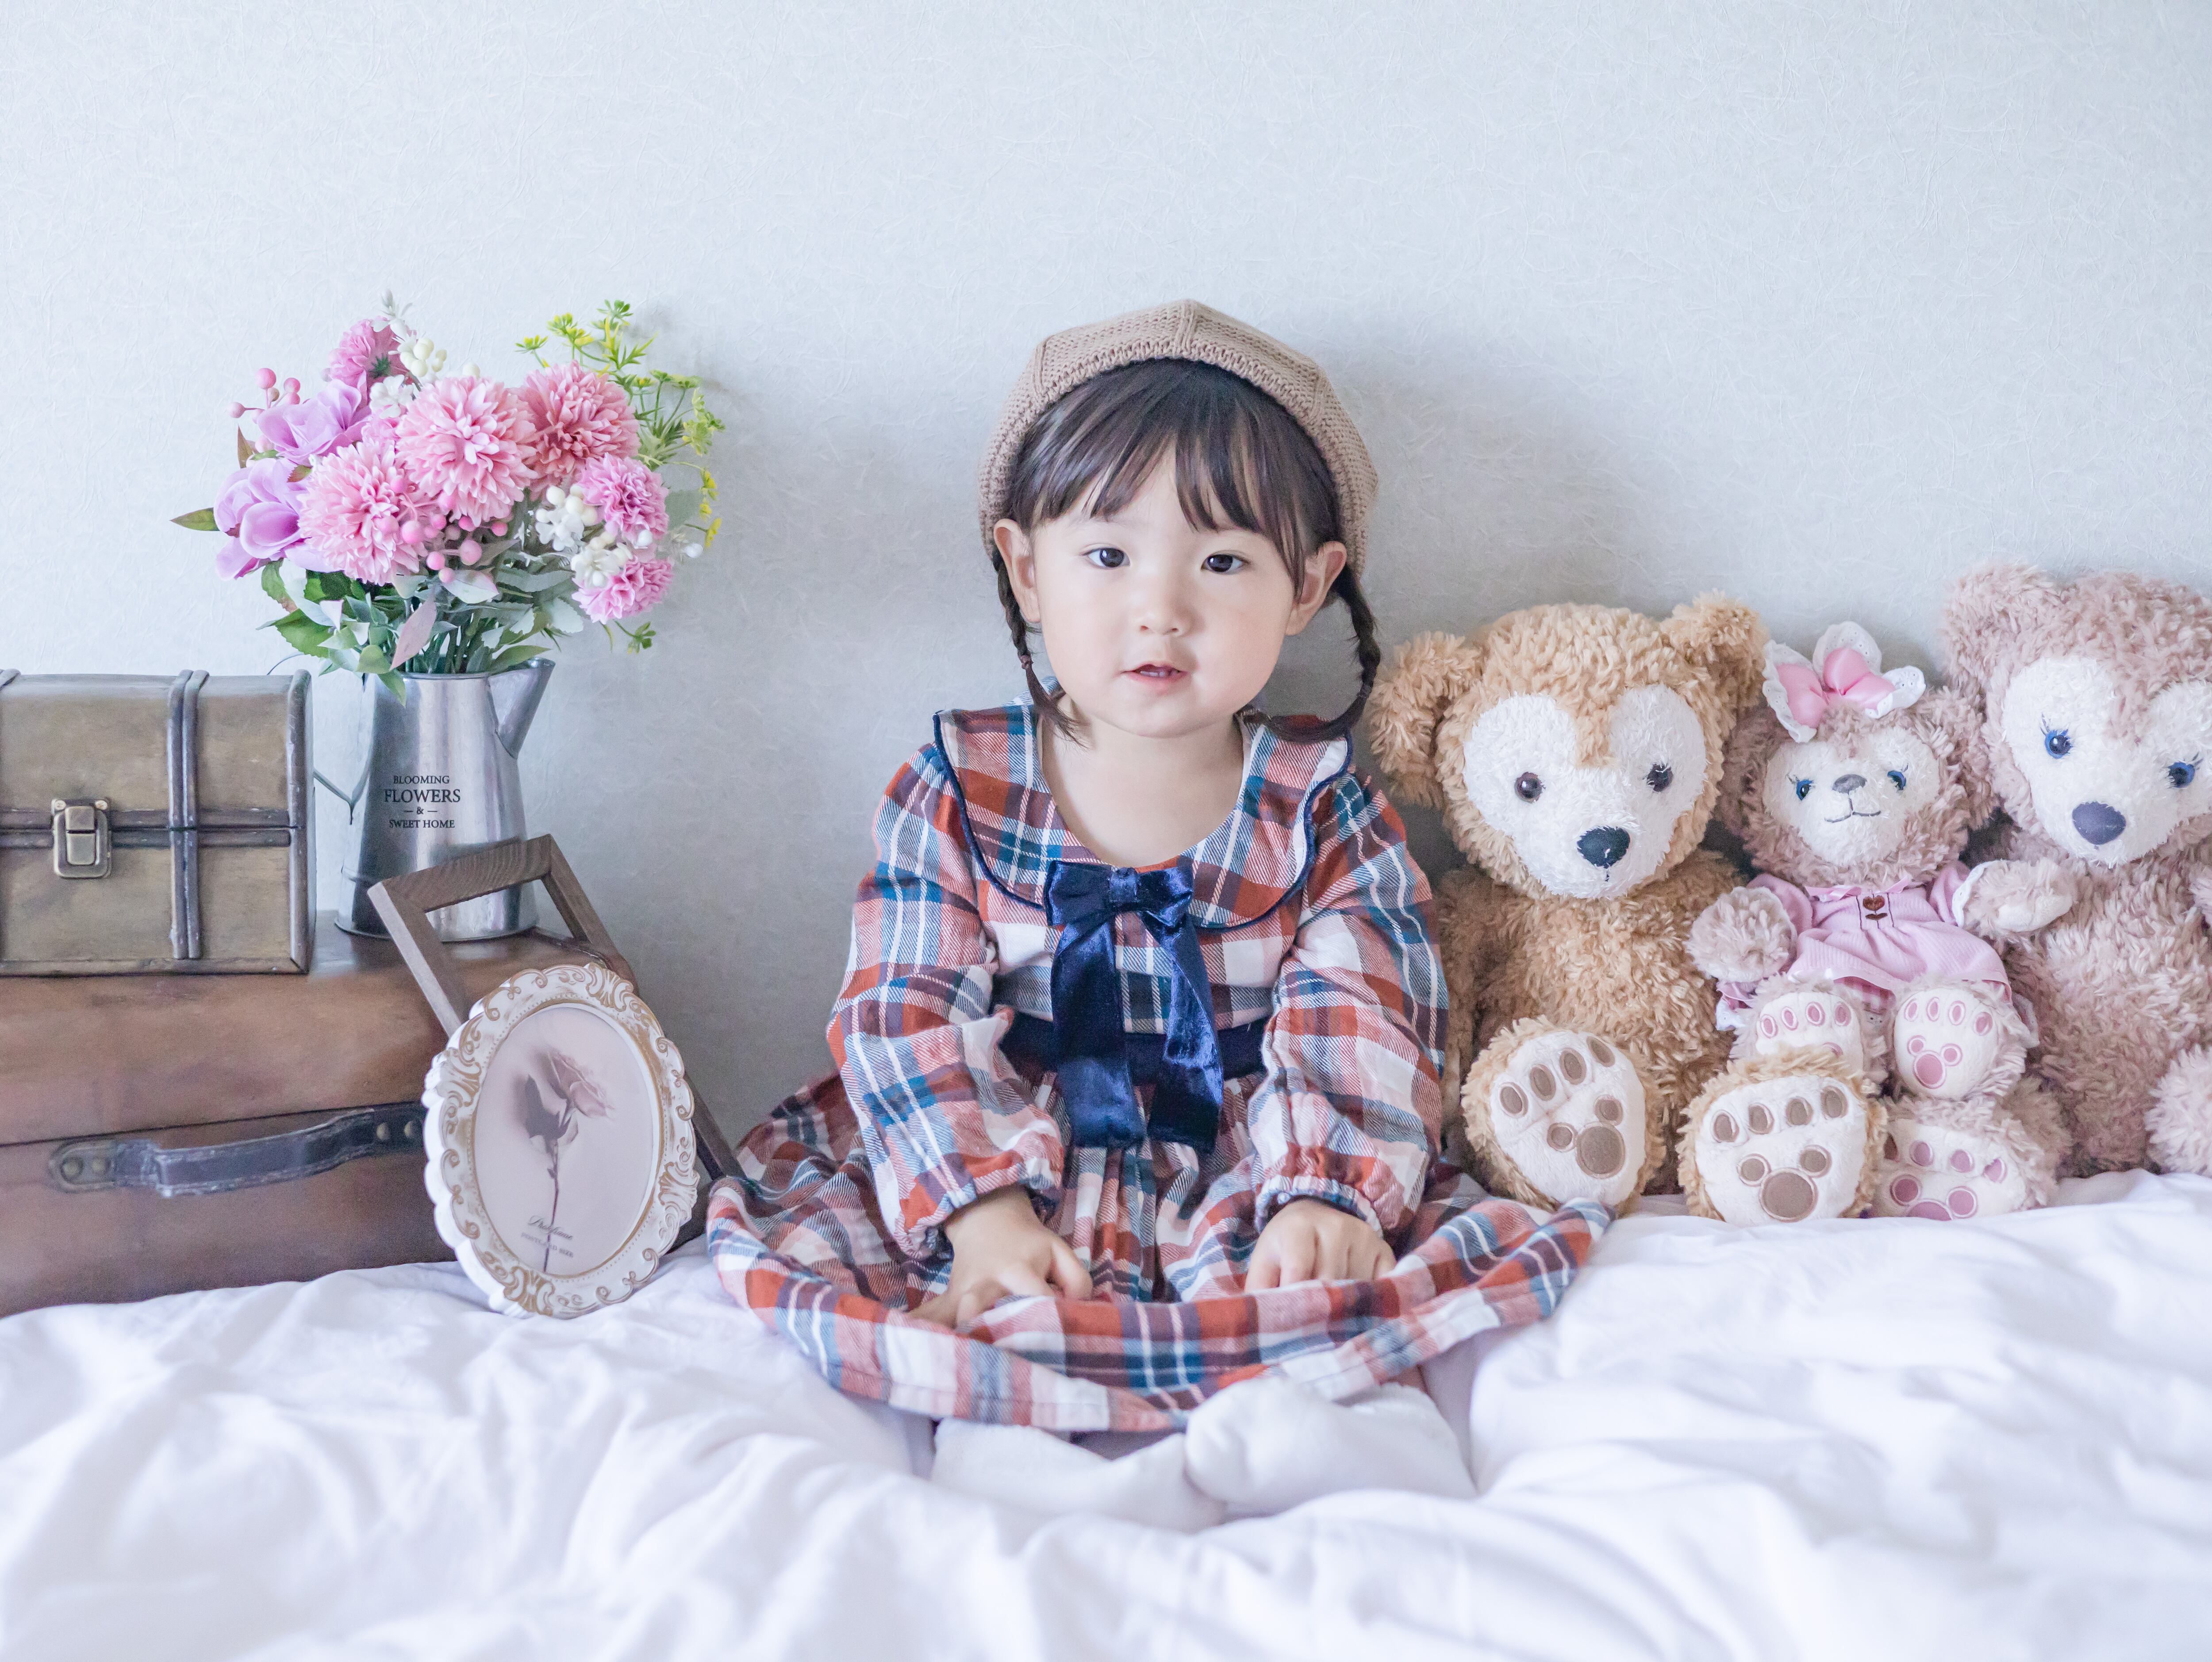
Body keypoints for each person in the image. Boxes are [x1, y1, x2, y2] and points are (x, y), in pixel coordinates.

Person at [705, 303, 1597, 1498]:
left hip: (1253, 1152)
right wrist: (980, 1213)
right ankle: (1023, 1455)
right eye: (1107, 555)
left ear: (1308, 586)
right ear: (1027, 568)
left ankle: (1335, 1436)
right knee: (997, 1310)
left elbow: (1365, 1013)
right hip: (1010, 1155)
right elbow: (902, 1012)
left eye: (1222, 562)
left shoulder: (1319, 807)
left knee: (1313, 1293)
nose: (1161, 607)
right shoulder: (956, 788)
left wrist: (1326, 1194)